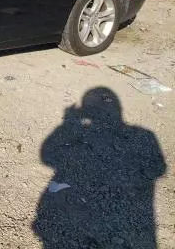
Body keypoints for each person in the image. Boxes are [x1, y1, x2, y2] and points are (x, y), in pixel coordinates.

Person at [33, 87, 167, 248]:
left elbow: (47, 156)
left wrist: (68, 122)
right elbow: (159, 168)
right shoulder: (145, 135)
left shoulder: (144, 136)